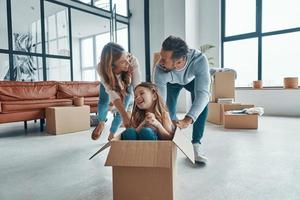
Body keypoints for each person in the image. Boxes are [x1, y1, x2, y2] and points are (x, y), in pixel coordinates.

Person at [154, 36, 210, 163]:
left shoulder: (199, 60)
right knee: (169, 113)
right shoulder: (160, 68)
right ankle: (172, 141)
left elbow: (203, 94)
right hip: (171, 82)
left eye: (164, 59)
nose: (159, 61)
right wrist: (166, 120)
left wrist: (188, 119)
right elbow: (161, 102)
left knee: (202, 103)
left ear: (179, 61)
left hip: (191, 79)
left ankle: (196, 145)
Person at [91, 42, 141, 141]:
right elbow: (112, 95)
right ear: (112, 65)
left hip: (127, 81)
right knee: (103, 101)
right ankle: (101, 122)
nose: (128, 61)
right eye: (123, 62)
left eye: (127, 56)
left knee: (124, 108)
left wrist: (140, 114)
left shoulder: (132, 61)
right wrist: (124, 115)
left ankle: (112, 133)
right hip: (109, 81)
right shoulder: (101, 68)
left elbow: (137, 88)